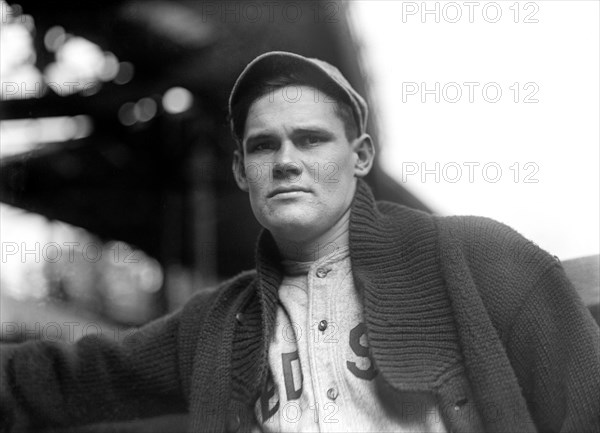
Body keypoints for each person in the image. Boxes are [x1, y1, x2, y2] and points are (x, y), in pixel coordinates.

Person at [1, 51, 599, 433]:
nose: (286, 161)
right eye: (264, 146)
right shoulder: (217, 325)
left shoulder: (474, 258)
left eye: (311, 140)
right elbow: (61, 380)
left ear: (360, 156)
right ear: (241, 171)